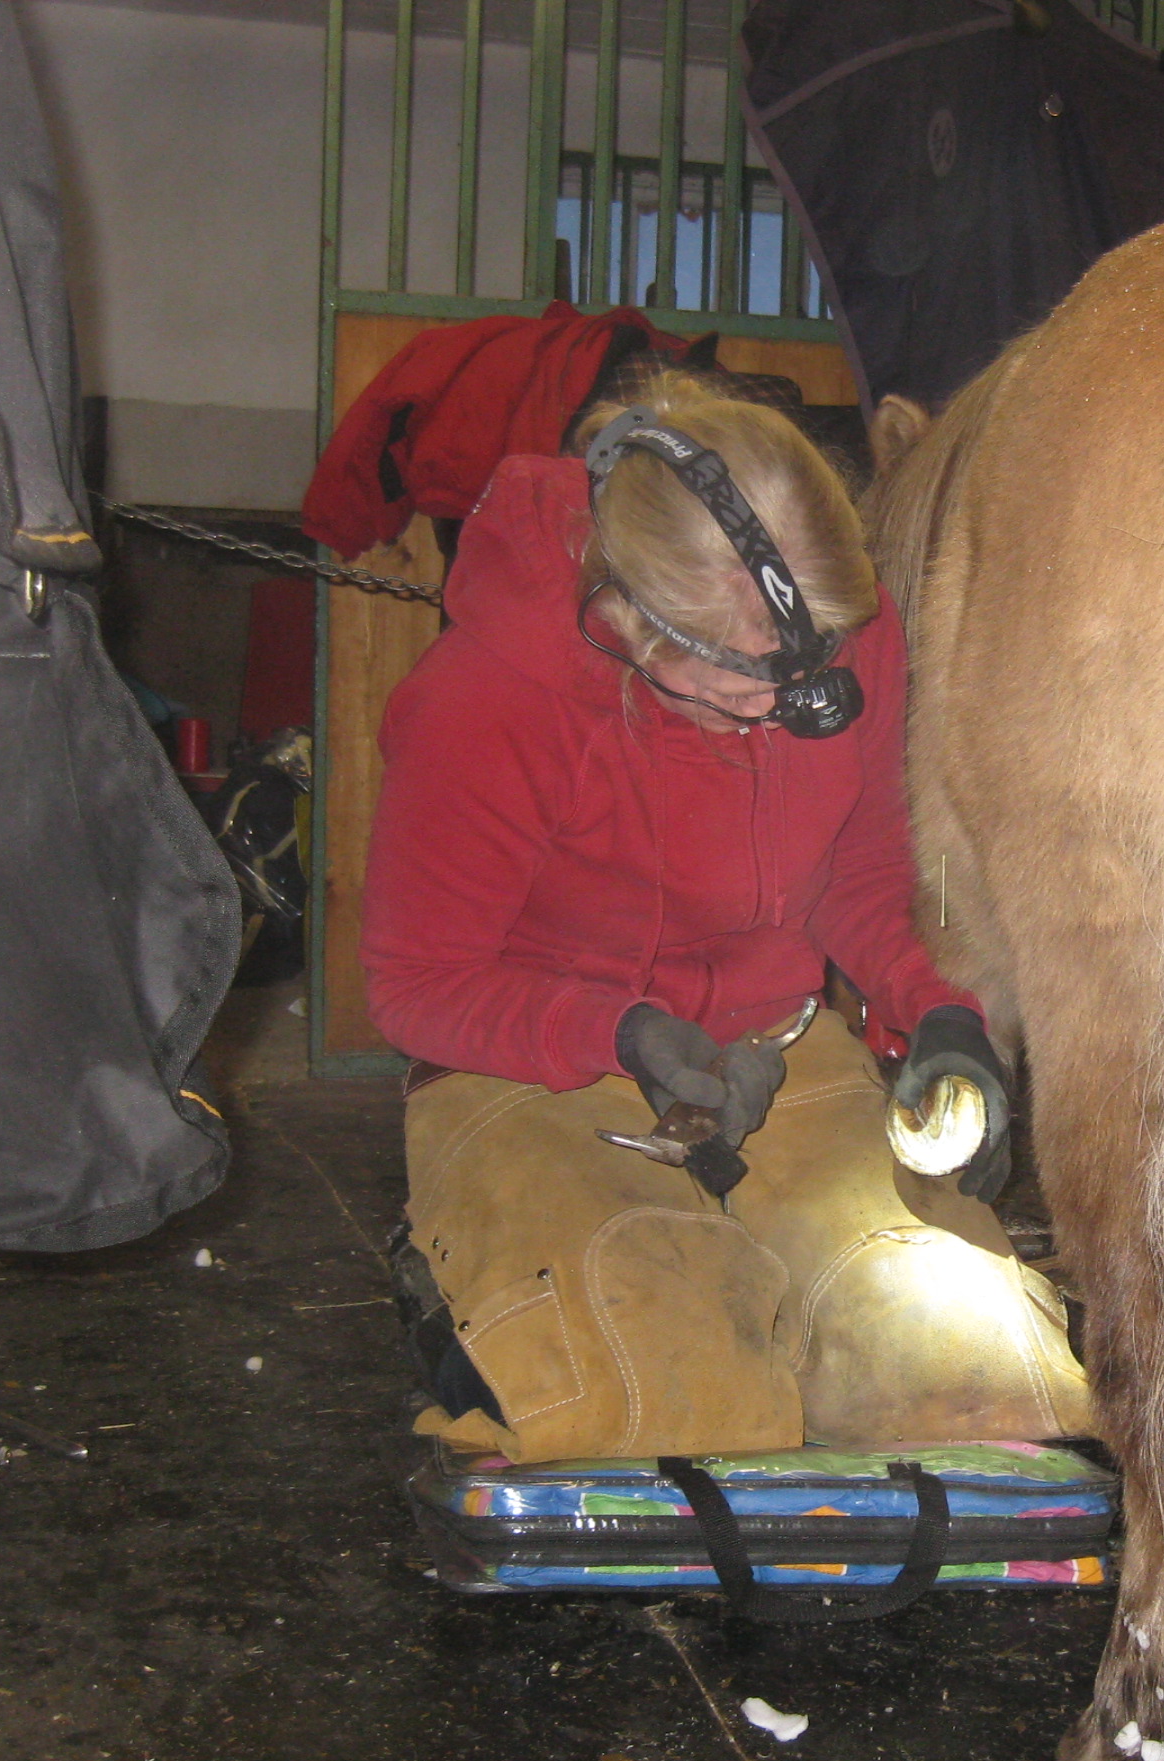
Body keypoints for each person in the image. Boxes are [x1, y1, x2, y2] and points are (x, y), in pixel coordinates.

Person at [362, 374, 1091, 1461]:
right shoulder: (488, 698)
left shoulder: (840, 636)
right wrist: (624, 1034)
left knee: (994, 1397)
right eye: (738, 689)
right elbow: (416, 986)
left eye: (815, 674)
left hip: (773, 1054)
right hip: (539, 1065)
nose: (785, 715)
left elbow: (861, 865)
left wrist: (938, 1013)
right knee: (666, 1408)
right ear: (625, 622)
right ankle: (488, 1293)